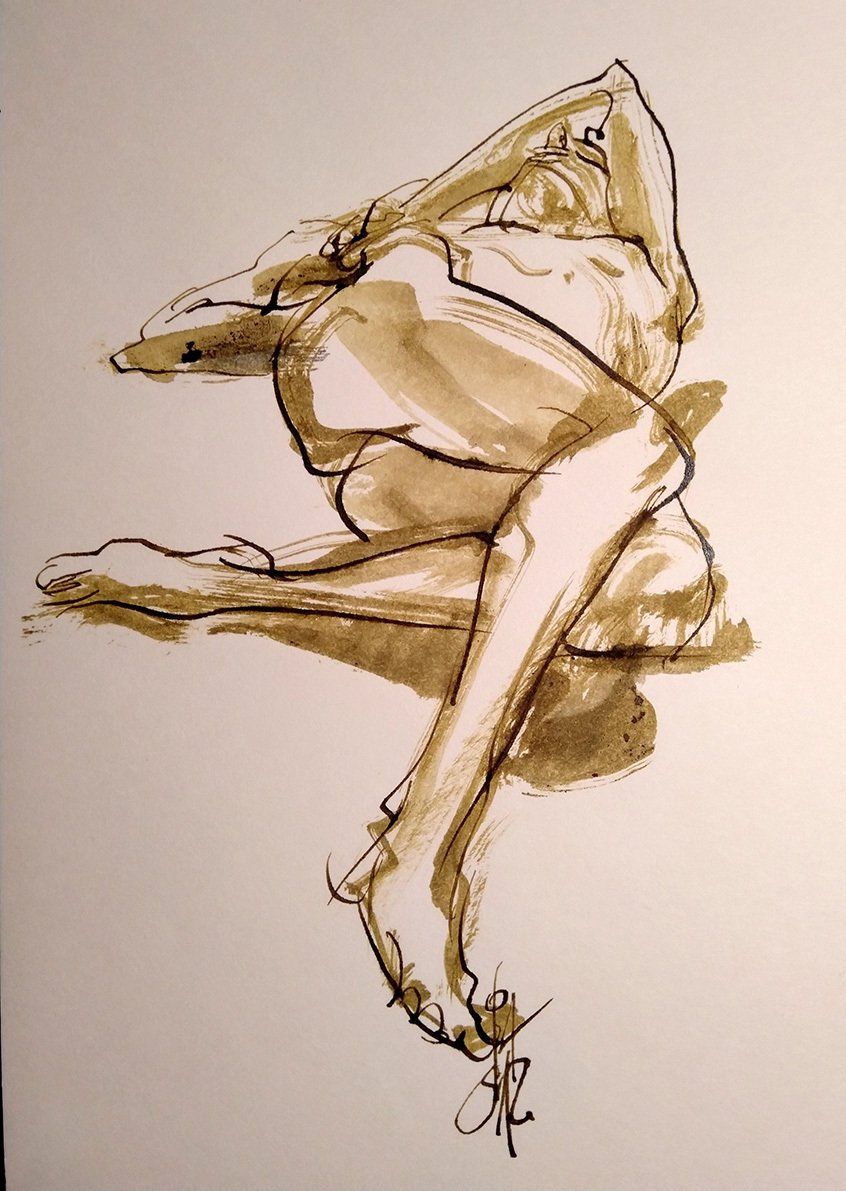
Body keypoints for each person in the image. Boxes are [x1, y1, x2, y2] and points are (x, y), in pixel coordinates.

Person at [37, 63, 741, 1058]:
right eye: (538, 156)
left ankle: (219, 584)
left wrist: (625, 229)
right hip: (388, 331)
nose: (556, 151)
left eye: (582, 164)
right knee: (646, 452)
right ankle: (419, 847)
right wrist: (417, 212)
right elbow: (605, 94)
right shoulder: (456, 239)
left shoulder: (655, 285)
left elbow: (616, 108)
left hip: (412, 478)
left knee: (668, 578)